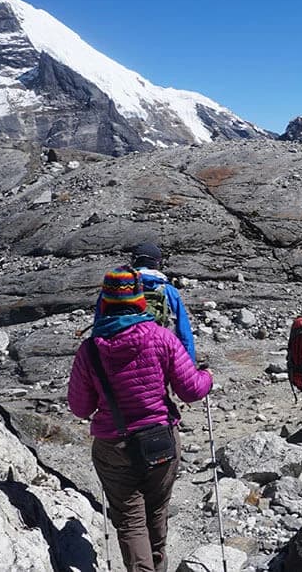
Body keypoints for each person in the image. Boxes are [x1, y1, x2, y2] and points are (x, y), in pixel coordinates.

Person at [68, 266, 213, 572]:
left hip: (113, 447)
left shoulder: (90, 349)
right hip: (160, 441)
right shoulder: (161, 338)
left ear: (104, 302)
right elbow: (191, 390)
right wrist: (207, 377)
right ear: (139, 300)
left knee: (130, 522)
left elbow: (80, 408)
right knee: (156, 512)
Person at [91, 243, 197, 363]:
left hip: (115, 356)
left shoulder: (114, 287)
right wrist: (191, 364)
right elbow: (184, 332)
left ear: (134, 261)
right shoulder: (168, 290)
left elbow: (99, 324)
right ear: (157, 263)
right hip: (157, 353)